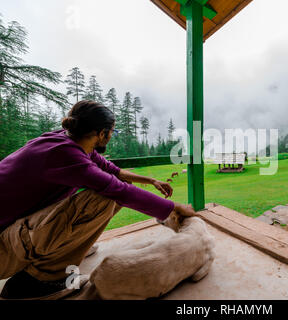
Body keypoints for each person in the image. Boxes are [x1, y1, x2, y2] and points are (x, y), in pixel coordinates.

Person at [0, 100, 196, 299]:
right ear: (102, 134)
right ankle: (37, 281)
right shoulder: (66, 155)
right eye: (113, 131)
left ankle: (67, 248)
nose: (112, 135)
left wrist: (151, 180)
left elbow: (111, 170)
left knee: (111, 193)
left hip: (10, 232)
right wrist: (174, 208)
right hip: (3, 250)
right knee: (103, 198)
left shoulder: (64, 140)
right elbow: (118, 189)